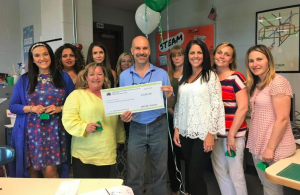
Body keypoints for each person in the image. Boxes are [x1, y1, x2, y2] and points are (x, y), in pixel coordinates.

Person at [9, 42, 74, 178]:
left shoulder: (63, 77)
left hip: (55, 131)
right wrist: (31, 108)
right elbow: (13, 106)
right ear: (32, 59)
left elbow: (74, 104)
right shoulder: (24, 79)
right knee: (32, 172)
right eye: (37, 55)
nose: (42, 58)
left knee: (50, 172)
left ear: (50, 55)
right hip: (30, 132)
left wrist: (59, 108)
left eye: (45, 54)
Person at [120, 36, 175, 195]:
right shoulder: (124, 76)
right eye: (137, 48)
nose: (141, 52)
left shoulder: (162, 74)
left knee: (160, 170)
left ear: (150, 51)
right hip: (136, 126)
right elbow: (122, 105)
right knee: (134, 172)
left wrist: (170, 95)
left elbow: (170, 104)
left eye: (145, 48)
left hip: (159, 125)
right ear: (132, 51)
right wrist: (122, 116)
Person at [173, 39, 225, 195]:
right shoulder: (184, 77)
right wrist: (176, 128)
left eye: (199, 52)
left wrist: (211, 133)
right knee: (190, 172)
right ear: (187, 55)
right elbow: (179, 105)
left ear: (204, 55)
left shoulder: (210, 76)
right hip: (185, 131)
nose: (195, 56)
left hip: (203, 133)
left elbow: (217, 105)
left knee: (195, 175)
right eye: (192, 52)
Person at [245, 45, 296, 195]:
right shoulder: (259, 84)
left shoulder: (278, 81)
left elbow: (283, 119)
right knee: (267, 185)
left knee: (272, 188)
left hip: (274, 147)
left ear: (269, 60)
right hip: (260, 145)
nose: (255, 64)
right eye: (251, 60)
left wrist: (270, 148)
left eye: (259, 59)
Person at [62, 62, 125, 178]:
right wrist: (84, 127)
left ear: (104, 77)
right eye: (91, 74)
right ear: (86, 77)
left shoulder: (111, 96)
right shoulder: (77, 95)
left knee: (104, 188)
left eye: (99, 74)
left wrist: (119, 139)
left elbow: (117, 121)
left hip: (107, 152)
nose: (96, 77)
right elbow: (68, 119)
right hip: (85, 154)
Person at [211, 42, 248, 195]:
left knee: (236, 173)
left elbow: (243, 107)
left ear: (232, 59)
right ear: (214, 55)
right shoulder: (210, 77)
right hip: (216, 134)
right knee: (220, 172)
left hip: (234, 134)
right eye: (219, 52)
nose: (222, 56)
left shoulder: (236, 77)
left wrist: (231, 134)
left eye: (227, 54)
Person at [167, 45, 190, 195]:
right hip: (170, 119)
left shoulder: (191, 75)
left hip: (189, 120)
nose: (177, 58)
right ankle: (176, 187)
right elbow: (167, 101)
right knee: (172, 155)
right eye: (174, 56)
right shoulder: (167, 76)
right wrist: (174, 114)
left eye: (180, 55)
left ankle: (188, 188)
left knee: (188, 155)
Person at [114, 52, 134, 182]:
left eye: (129, 61)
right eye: (123, 61)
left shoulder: (134, 77)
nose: (126, 64)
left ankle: (135, 180)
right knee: (120, 152)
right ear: (119, 63)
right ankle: (120, 180)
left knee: (132, 153)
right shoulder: (114, 78)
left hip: (132, 119)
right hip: (118, 120)